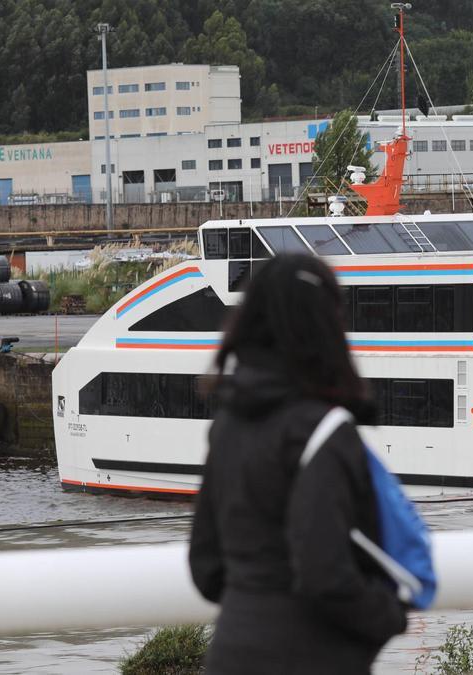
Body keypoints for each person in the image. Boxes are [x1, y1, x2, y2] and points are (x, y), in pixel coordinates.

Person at [189, 253, 407, 674]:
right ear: (326, 325)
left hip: (231, 655)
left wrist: (255, 604)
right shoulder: (325, 431)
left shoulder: (229, 425)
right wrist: (389, 615)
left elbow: (206, 568)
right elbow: (325, 574)